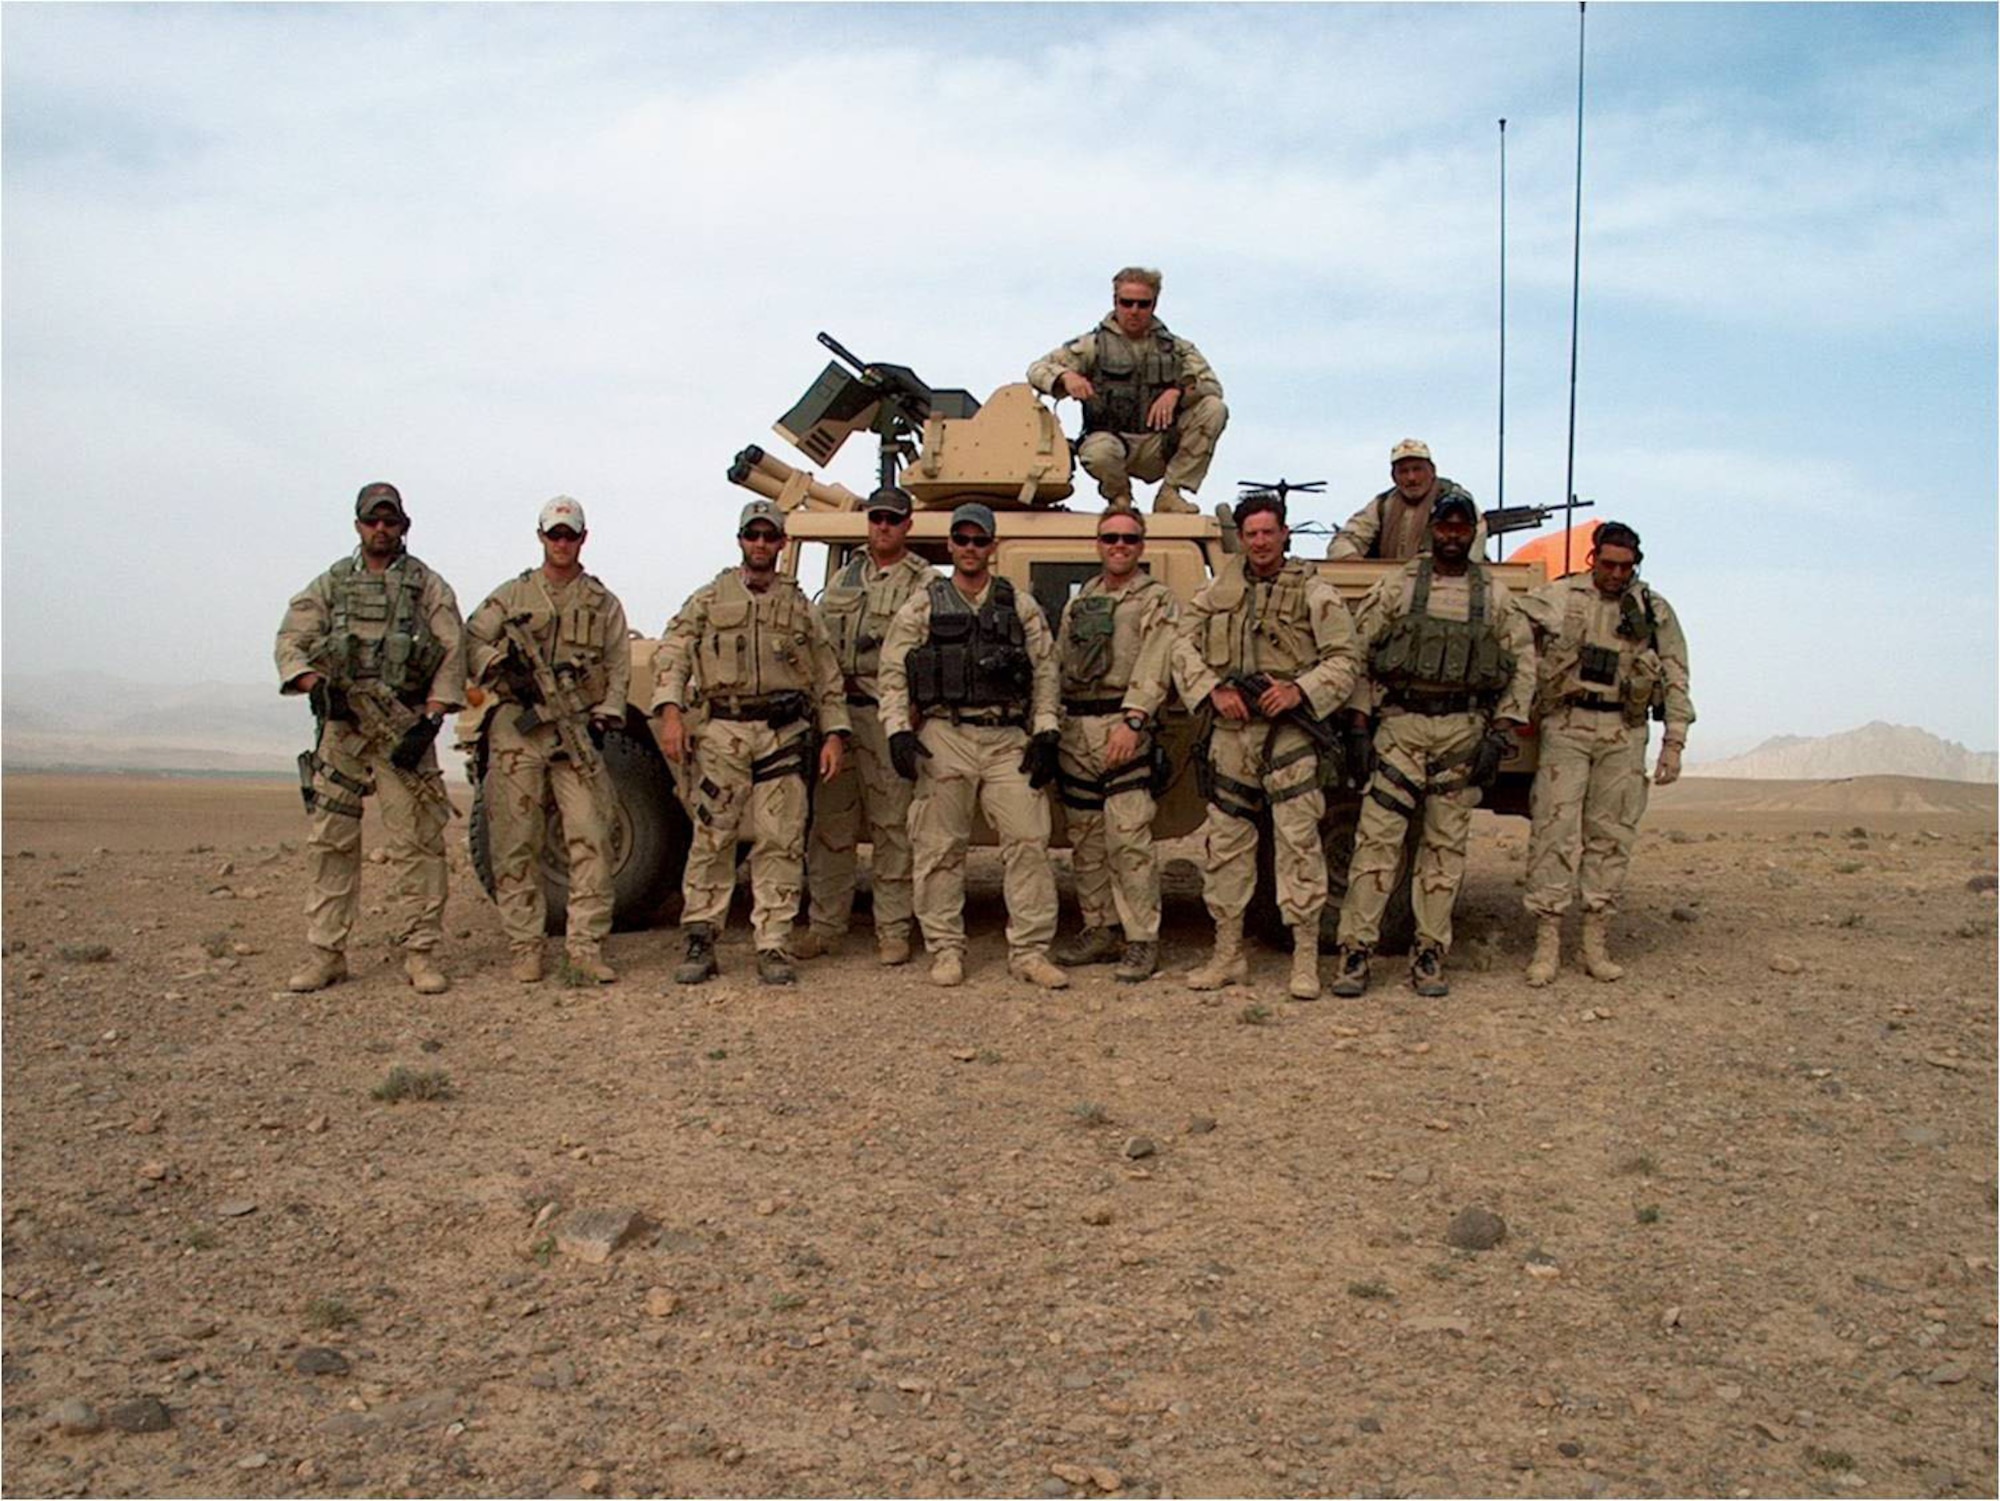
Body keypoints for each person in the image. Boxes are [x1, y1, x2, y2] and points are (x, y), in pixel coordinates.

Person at [1329, 491, 1536, 999]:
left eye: (1461, 527)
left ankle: (1429, 952)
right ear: (1433, 531)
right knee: (1376, 845)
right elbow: (1359, 650)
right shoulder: (1399, 585)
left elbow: (1524, 665)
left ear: (1472, 533)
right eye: (1444, 526)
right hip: (1400, 729)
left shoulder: (1493, 597)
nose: (1451, 535)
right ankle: (1355, 952)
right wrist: (1357, 726)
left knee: (1443, 849)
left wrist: (1503, 731)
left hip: (1462, 733)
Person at [274, 482, 464, 996]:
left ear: (404, 526)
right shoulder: (332, 583)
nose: (381, 530)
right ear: (358, 526)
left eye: (390, 521)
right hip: (344, 731)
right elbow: (291, 638)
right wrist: (317, 687)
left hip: (403, 727)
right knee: (331, 841)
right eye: (372, 521)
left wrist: (431, 717)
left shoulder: (427, 586)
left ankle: (420, 952)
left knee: (418, 844)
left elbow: (453, 650)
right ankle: (326, 952)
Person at [652, 500, 850, 987]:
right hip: (724, 731)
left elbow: (826, 675)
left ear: (782, 544)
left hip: (784, 734)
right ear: (741, 540)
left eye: (769, 536)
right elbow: (674, 654)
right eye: (752, 535)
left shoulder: (801, 608)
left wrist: (835, 734)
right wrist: (671, 712)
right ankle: (701, 936)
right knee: (713, 835)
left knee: (780, 839)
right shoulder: (708, 599)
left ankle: (773, 941)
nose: (761, 544)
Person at [1171, 490, 1359, 999]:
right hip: (1233, 734)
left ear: (1284, 535)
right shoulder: (1219, 593)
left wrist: (1300, 690)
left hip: (1290, 732)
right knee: (1227, 844)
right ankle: (1228, 954)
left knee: (1299, 842)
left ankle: (1304, 959)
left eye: (1267, 532)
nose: (1259, 541)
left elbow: (1344, 659)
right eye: (1250, 533)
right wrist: (1213, 689)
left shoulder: (1313, 593)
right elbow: (1180, 644)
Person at [876, 502, 1068, 989]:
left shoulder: (1018, 605)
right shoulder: (924, 603)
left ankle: (1029, 950)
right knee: (939, 847)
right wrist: (898, 730)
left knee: (1028, 841)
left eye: (979, 540)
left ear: (992, 546)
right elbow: (894, 671)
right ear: (949, 546)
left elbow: (1046, 670)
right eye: (961, 540)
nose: (969, 548)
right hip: (945, 734)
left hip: (1006, 738)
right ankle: (944, 947)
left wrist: (1045, 731)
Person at [1517, 521, 1694, 985]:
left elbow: (1676, 672)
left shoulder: (1652, 610)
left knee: (1610, 835)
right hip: (1567, 725)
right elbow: (1510, 622)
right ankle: (1547, 941)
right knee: (1553, 831)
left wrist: (1674, 742)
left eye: (1626, 566)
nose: (1616, 574)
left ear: (1636, 564)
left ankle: (1595, 940)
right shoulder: (1561, 596)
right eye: (1608, 564)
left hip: (1624, 728)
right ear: (1593, 558)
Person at [464, 497, 630, 985]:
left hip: (575, 729)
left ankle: (584, 947)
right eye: (554, 534)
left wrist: (606, 717)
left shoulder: (602, 603)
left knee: (593, 836)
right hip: (519, 732)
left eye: (570, 535)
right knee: (515, 841)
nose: (562, 543)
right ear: (541, 537)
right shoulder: (512, 597)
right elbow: (470, 639)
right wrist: (501, 667)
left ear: (583, 539)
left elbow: (618, 666)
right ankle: (525, 945)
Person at [795, 486, 935, 966]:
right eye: (876, 518)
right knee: (830, 823)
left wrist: (915, 710)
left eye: (893, 520)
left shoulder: (926, 582)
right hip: (838, 713)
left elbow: (937, 652)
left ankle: (893, 930)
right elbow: (818, 641)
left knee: (893, 825)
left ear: (907, 526)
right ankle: (824, 927)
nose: (883, 527)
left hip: (889, 712)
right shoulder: (843, 578)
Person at [1048, 509, 1181, 983]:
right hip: (1077, 728)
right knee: (1085, 837)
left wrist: (1135, 719)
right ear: (1098, 543)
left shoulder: (1156, 599)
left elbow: (1157, 661)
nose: (1119, 545)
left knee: (1128, 838)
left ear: (1141, 545)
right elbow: (1061, 663)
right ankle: (1098, 927)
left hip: (1122, 725)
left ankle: (1142, 938)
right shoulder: (1081, 601)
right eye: (1110, 538)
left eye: (1129, 538)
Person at [1027, 266, 1229, 515]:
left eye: (1143, 304)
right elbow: (1036, 370)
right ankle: (1120, 499)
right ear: (1115, 302)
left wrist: (1177, 391)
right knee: (1099, 452)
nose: (1134, 311)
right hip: (1111, 441)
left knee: (1214, 409)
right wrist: (1066, 376)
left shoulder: (1176, 348)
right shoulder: (1093, 346)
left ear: (1154, 305)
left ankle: (1170, 493)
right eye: (1127, 303)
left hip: (1160, 443)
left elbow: (1212, 387)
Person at [1327, 439, 1488, 561]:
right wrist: (1353, 561)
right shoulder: (1382, 505)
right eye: (1404, 471)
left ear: (1432, 471)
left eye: (1417, 469)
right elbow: (1345, 540)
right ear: (1393, 477)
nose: (1411, 478)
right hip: (1391, 590)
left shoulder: (1455, 500)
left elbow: (1475, 546)